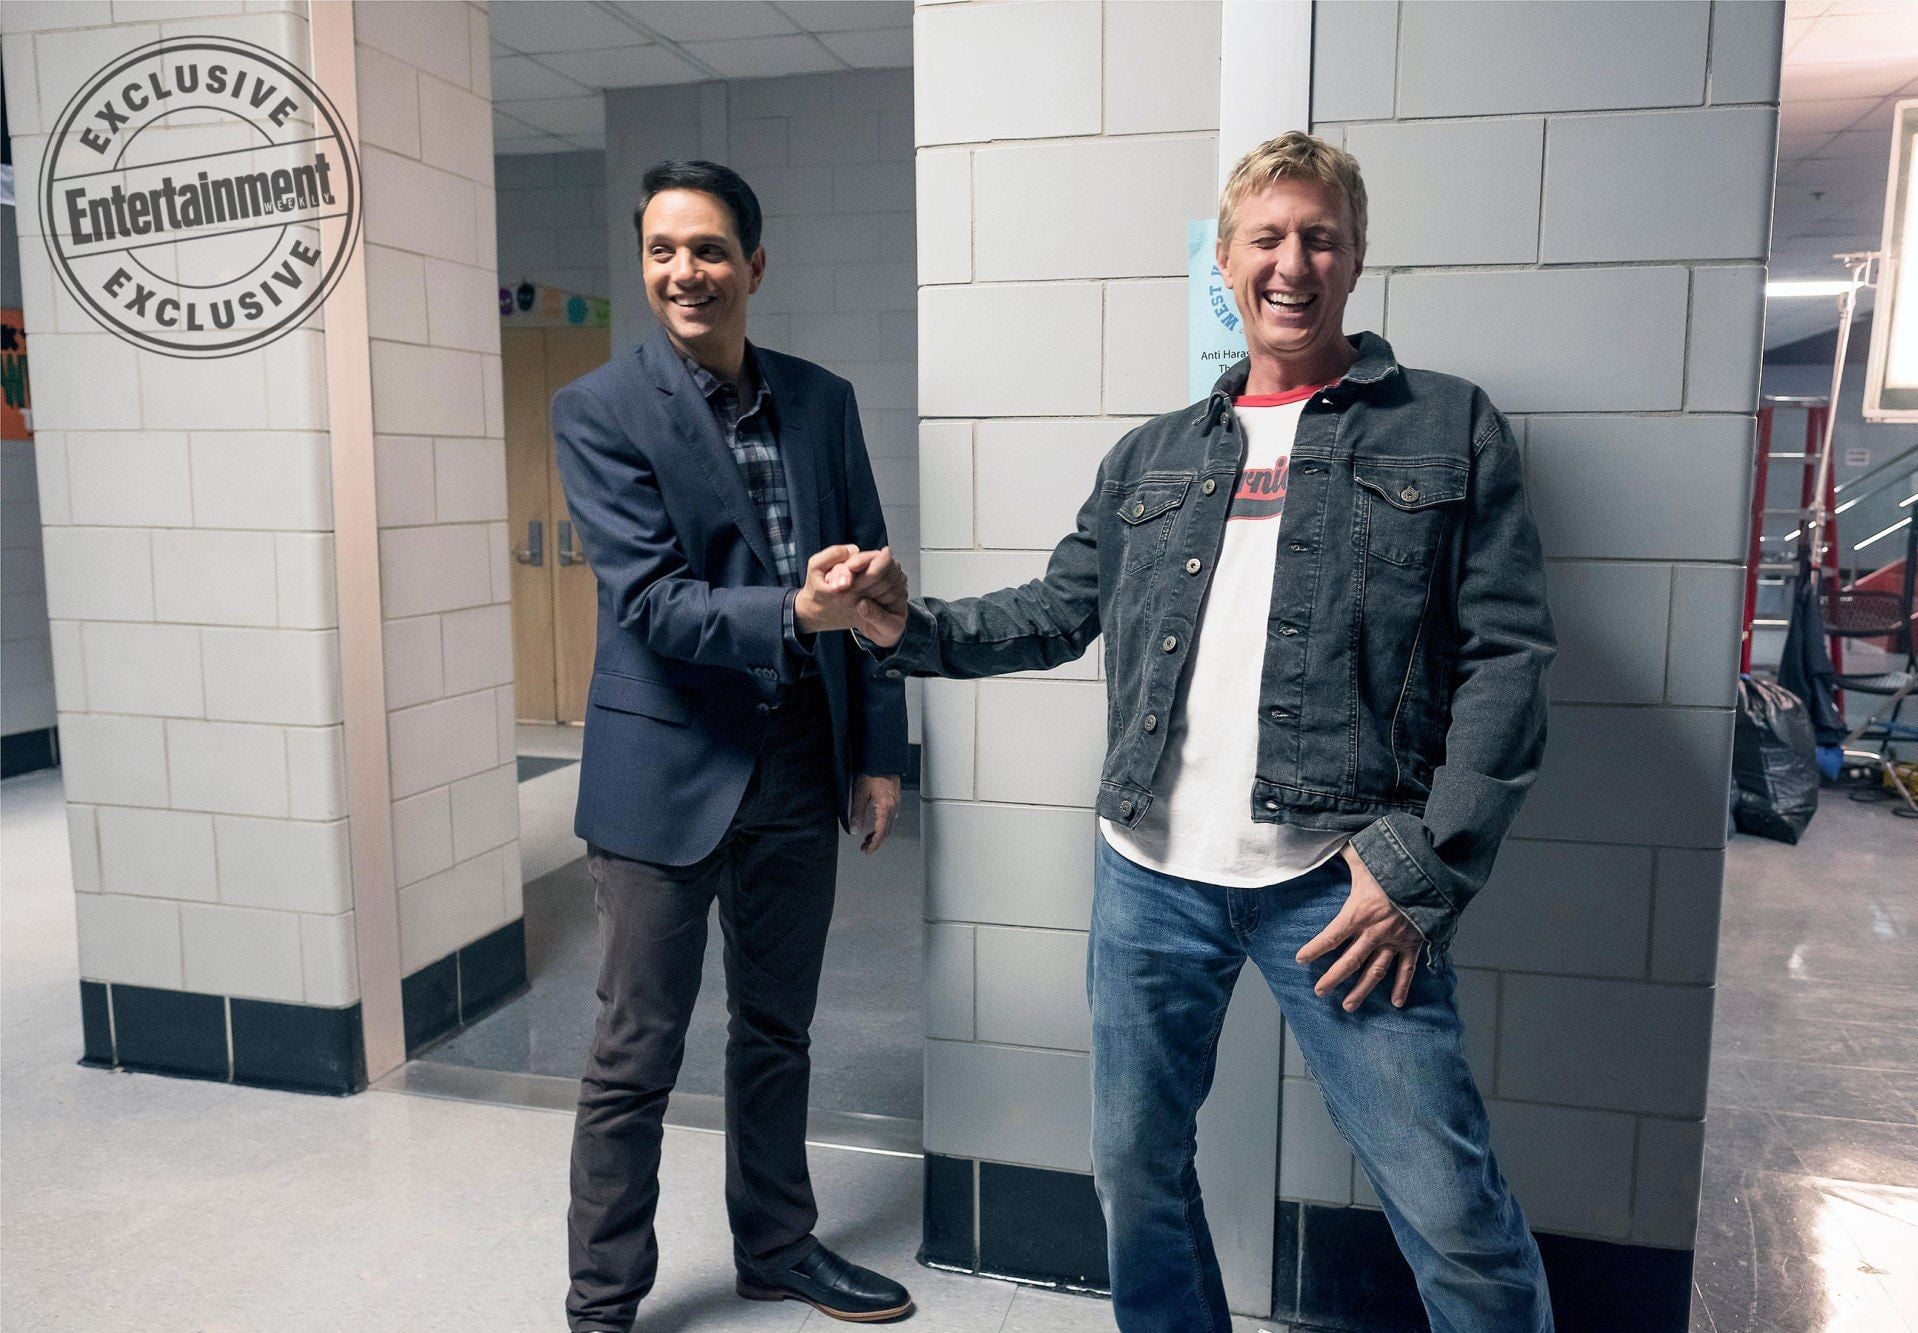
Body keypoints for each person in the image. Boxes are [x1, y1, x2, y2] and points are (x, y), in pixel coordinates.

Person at [841, 131, 1558, 1331]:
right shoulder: (1152, 454)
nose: (1292, 262)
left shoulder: (1445, 426)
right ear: (1223, 262)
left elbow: (1507, 661)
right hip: (1149, 876)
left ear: (1354, 258)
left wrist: (1425, 865)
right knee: (1135, 1174)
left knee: (1449, 1208)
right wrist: (899, 624)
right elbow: (1053, 611)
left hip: (1343, 882)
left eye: (1319, 237)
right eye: (1266, 238)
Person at [552, 160, 915, 1331]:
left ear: (753, 264)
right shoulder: (599, 409)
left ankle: (776, 1246)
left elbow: (873, 589)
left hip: (798, 761)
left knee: (775, 1030)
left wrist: (878, 749)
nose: (684, 272)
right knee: (635, 1052)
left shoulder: (820, 400)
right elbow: (651, 603)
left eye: (707, 249)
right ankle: (603, 1302)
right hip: (662, 772)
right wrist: (795, 612)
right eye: (661, 250)